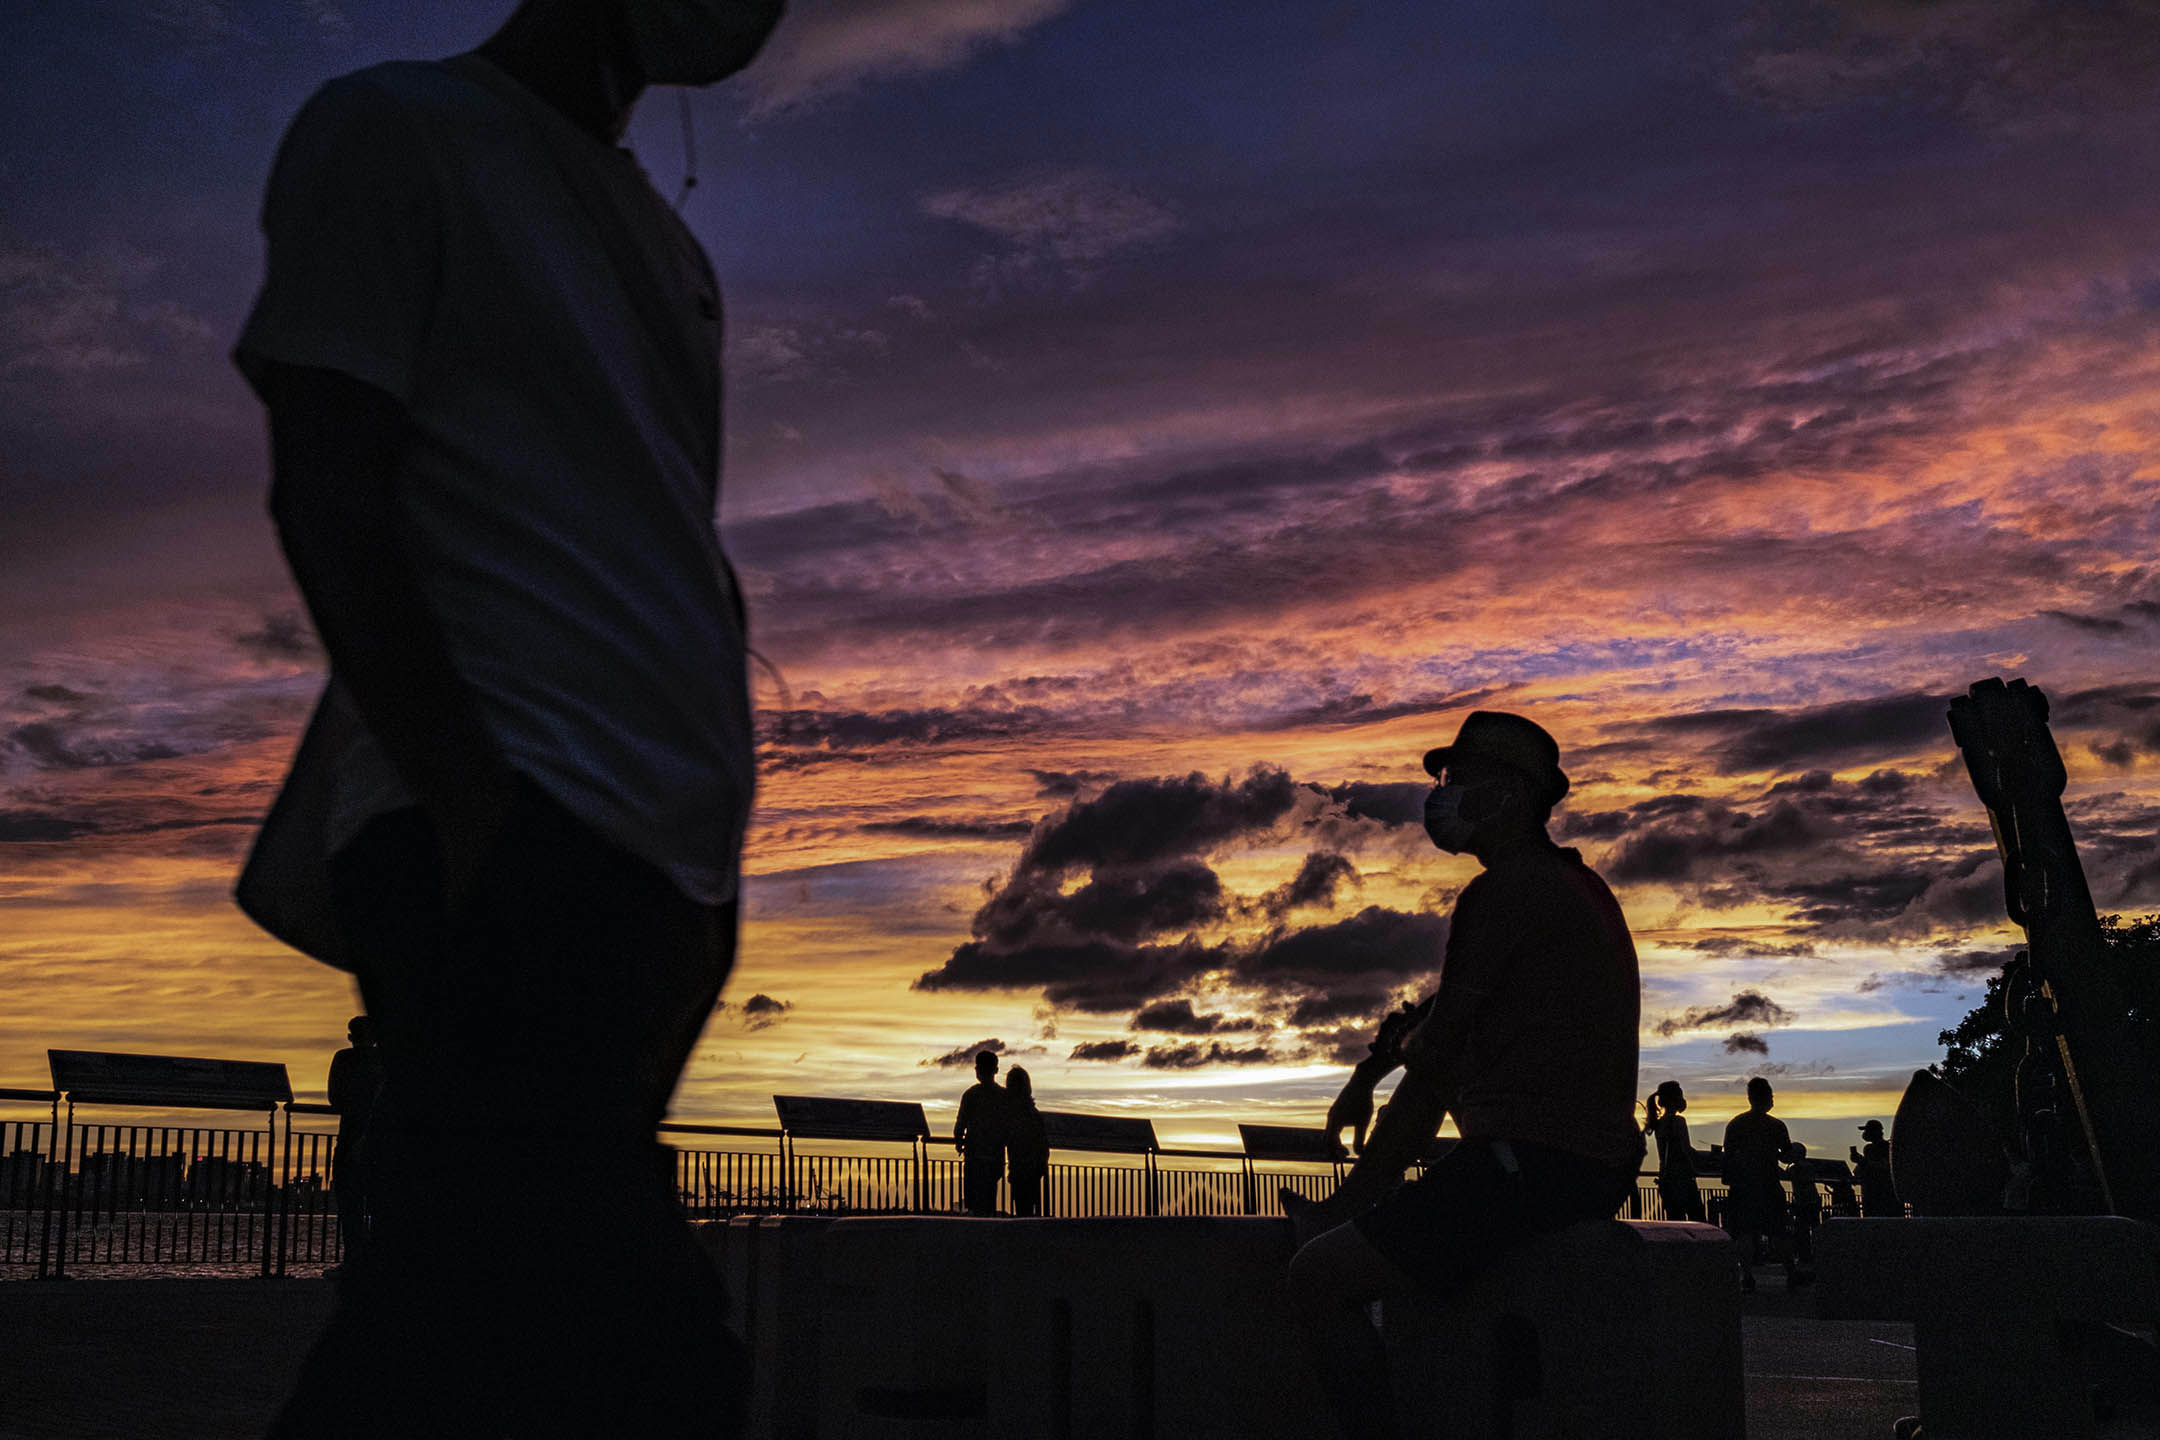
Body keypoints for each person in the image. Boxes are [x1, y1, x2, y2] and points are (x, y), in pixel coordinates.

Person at [232, 0, 785, 1432]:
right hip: (511, 819)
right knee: (621, 1340)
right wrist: (476, 807)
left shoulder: (671, 254)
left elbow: (664, 536)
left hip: (659, 858)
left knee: (465, 1323)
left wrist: (710, 860)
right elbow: (330, 481)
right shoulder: (401, 127)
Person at [1279, 712, 1643, 1440]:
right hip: (1582, 1163)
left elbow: (1438, 1040)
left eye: (1457, 778)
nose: (1442, 794)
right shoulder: (1571, 887)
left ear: (1507, 793)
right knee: (1427, 1076)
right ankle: (1347, 1207)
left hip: (1533, 1167)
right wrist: (1369, 1073)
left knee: (1316, 1281)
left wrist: (1393, 1061)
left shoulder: (1504, 892)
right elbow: (1441, 1023)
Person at [1722, 1078, 1795, 1293]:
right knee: (1778, 1231)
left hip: (1743, 1186)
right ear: (1767, 1098)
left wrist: (1729, 1178)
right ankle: (1791, 1272)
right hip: (1768, 1183)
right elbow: (1786, 1155)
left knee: (1744, 1232)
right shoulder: (1776, 1126)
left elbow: (1728, 1156)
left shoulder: (1736, 1124)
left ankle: (1747, 1276)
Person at [325, 1015, 384, 1271]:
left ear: (350, 1037)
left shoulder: (343, 1059)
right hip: (382, 1139)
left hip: (350, 1137)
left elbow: (334, 1099)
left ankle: (354, 1260)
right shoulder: (384, 1061)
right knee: (379, 1203)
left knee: (350, 1205)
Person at [954, 1050, 1010, 1215]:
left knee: (974, 1204)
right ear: (996, 1070)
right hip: (994, 1158)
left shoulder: (971, 1095)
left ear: (977, 1070)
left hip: (974, 1158)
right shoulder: (1003, 1096)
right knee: (989, 1200)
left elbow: (960, 1123)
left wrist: (959, 1141)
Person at [1644, 1080, 1705, 1222]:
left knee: (1676, 1222)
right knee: (1698, 1221)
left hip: (1666, 1181)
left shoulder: (1658, 1124)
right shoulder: (1679, 1121)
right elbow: (1685, 1150)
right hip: (1683, 1179)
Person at [1005, 1066, 1051, 1217]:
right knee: (1029, 1210)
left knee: (1022, 1210)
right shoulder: (1033, 1114)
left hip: (1021, 1169)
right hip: (1033, 1169)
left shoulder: (1014, 1115)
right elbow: (1043, 1144)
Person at [1852, 1119, 1902, 1216]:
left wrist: (1862, 1162)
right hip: (1869, 1194)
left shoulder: (1886, 1148)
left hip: (1882, 1195)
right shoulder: (1869, 1149)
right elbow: (1861, 1170)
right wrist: (1859, 1162)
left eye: (1867, 1131)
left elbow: (1884, 1168)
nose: (1865, 1134)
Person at [1783, 1142, 1821, 1267]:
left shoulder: (1797, 1168)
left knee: (1802, 1229)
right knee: (1813, 1228)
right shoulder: (1808, 1166)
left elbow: (1787, 1176)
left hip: (1805, 1202)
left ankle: (1806, 1255)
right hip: (1811, 1201)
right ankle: (1814, 1253)